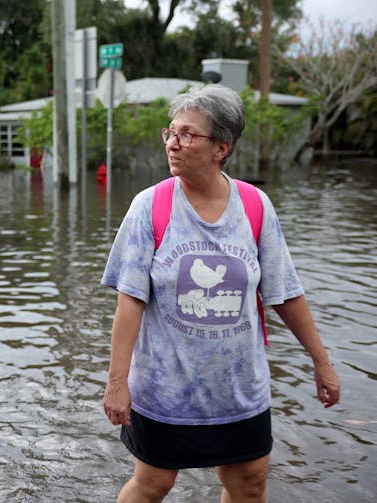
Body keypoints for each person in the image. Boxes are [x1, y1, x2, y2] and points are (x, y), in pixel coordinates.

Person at [101, 84, 340, 502]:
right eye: (171, 132)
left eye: (188, 134)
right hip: (165, 391)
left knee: (248, 485)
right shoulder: (150, 206)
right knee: (153, 484)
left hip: (239, 390)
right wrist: (117, 383)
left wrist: (322, 362)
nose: (173, 144)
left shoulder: (255, 206)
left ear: (221, 147)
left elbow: (284, 292)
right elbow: (131, 301)